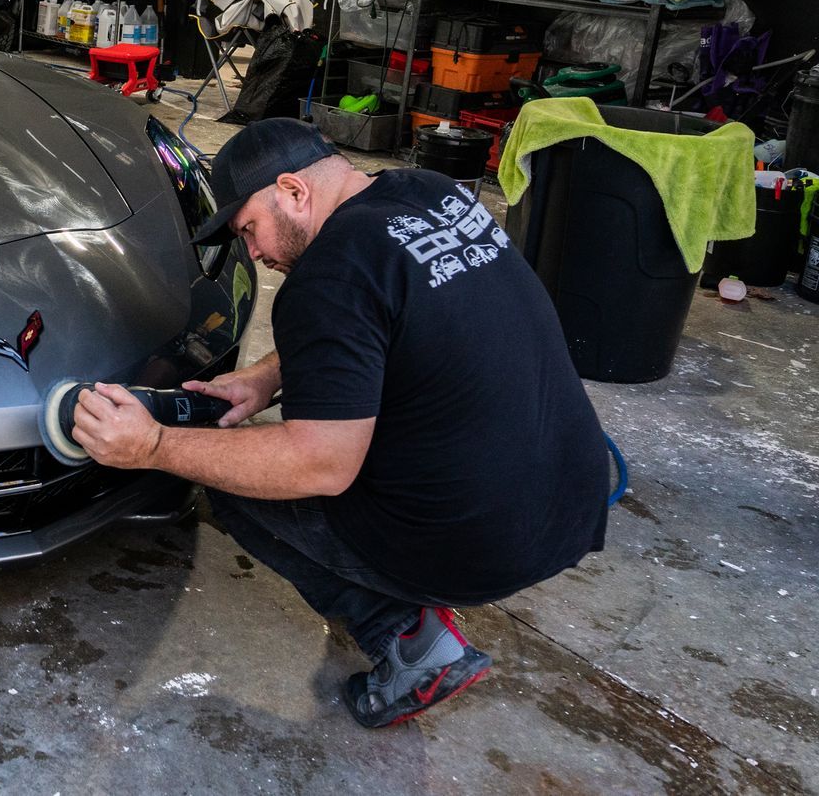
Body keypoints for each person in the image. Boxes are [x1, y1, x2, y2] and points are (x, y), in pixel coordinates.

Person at [71, 118, 610, 728]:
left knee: (235, 478)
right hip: (571, 499)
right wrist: (269, 375)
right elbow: (384, 314)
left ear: (293, 191)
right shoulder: (431, 191)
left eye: (249, 229)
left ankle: (410, 642)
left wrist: (156, 444)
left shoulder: (326, 276)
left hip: (486, 545)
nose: (253, 254)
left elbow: (318, 465)